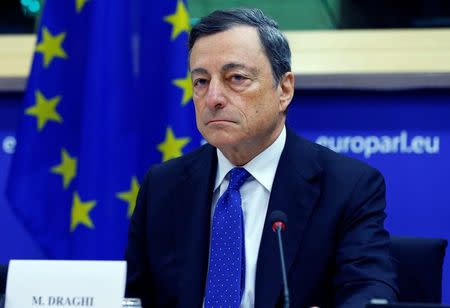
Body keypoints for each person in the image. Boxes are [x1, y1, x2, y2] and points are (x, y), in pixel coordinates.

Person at [125, 8, 398, 308]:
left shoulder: (347, 187)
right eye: (201, 81)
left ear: (284, 89)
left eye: (236, 78)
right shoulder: (162, 187)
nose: (213, 97)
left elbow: (369, 294)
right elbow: (131, 298)